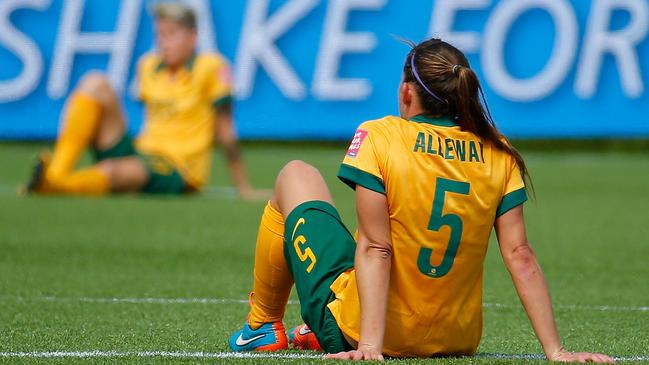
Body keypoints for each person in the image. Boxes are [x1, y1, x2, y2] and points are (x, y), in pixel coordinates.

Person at [227, 38, 614, 363]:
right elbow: (520, 255)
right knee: (354, 254)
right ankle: (312, 328)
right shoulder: (499, 151)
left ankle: (262, 325)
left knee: (296, 174)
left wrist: (369, 347)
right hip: (455, 343)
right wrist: (557, 351)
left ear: (407, 90)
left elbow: (377, 247)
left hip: (365, 334)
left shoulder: (381, 135)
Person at [22, 2, 254, 198]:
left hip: (177, 168)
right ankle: (56, 174)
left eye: (172, 34)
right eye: (159, 35)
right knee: (95, 82)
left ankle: (54, 185)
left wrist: (243, 187)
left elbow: (225, 131)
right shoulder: (148, 66)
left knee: (113, 171)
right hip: (142, 152)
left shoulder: (212, 68)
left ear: (193, 37)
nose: (164, 42)